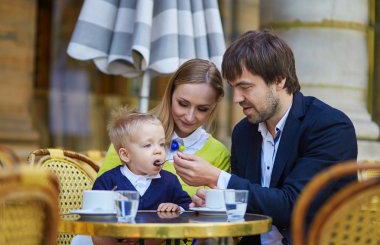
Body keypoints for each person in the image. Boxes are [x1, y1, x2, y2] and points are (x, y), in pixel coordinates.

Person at [173, 30, 358, 245]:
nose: (237, 98)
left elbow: (294, 206)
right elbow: (252, 205)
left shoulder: (329, 126)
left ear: (279, 80)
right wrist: (217, 203)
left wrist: (217, 178)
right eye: (233, 88)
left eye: (245, 87)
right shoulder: (243, 132)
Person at [98, 59, 231, 197]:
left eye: (202, 109)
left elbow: (216, 210)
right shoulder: (133, 133)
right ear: (170, 95)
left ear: (213, 107)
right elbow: (101, 194)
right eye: (183, 104)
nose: (190, 117)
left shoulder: (219, 154)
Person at [92, 107, 192, 245]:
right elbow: (93, 216)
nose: (158, 151)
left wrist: (176, 208)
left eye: (161, 144)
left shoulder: (169, 181)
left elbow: (188, 207)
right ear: (126, 155)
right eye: (147, 145)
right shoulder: (108, 181)